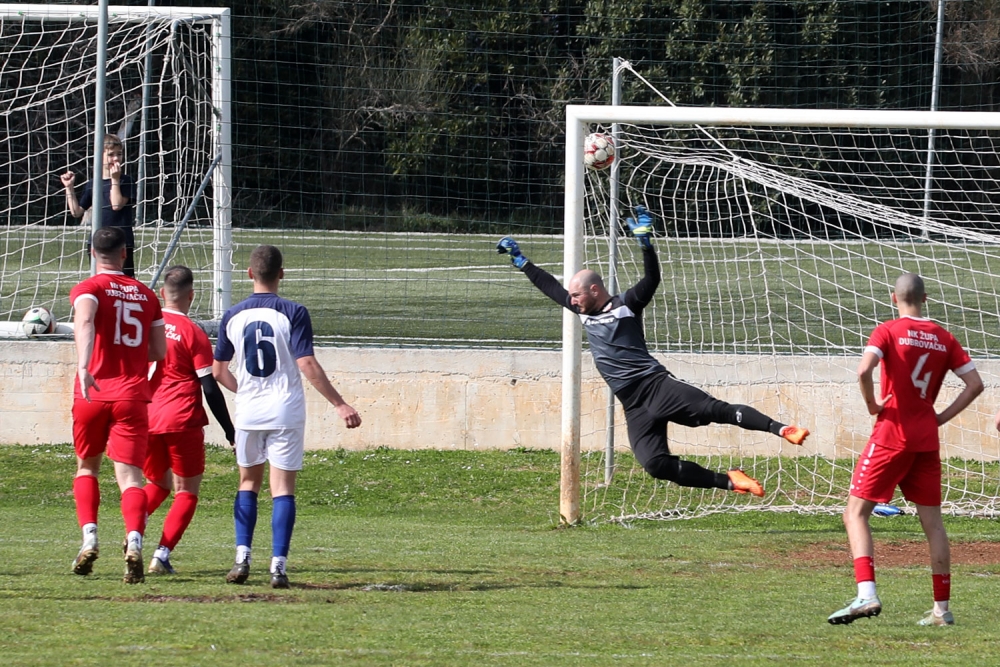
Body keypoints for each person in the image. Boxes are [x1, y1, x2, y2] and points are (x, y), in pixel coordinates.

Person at [496, 206, 809, 498]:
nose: (571, 300)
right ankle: (730, 480)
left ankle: (781, 429)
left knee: (718, 411)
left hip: (657, 387)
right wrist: (522, 262)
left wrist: (645, 244)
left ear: (594, 290)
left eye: (576, 294)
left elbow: (652, 279)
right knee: (655, 465)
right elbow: (549, 286)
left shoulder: (625, 306)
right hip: (633, 405)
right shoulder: (583, 311)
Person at [827, 273, 982, 627]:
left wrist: (871, 404)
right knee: (934, 526)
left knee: (855, 513)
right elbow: (975, 384)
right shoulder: (944, 338)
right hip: (926, 438)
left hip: (891, 434)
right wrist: (939, 417)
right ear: (925, 299)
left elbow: (863, 369)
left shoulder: (888, 330)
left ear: (893, 299)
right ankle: (942, 610)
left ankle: (867, 594)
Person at [212, 244, 362, 589]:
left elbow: (218, 371)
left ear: (249, 274)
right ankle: (278, 566)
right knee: (282, 490)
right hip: (285, 411)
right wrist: (339, 404)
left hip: (248, 413)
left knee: (247, 483)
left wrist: (247, 391)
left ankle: (242, 558)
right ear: (281, 274)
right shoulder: (293, 312)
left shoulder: (232, 315)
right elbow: (306, 363)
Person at [69, 226, 166, 584]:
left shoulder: (88, 289)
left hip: (92, 391)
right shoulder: (146, 294)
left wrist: (84, 365)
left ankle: (90, 537)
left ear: (93, 253)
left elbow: (86, 318)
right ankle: (135, 542)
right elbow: (159, 351)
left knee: (87, 468)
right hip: (131, 395)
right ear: (125, 253)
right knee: (131, 478)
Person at [144, 265, 237, 575]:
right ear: (192, 296)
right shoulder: (192, 332)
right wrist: (229, 431)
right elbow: (208, 386)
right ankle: (161, 555)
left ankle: (134, 533)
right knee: (186, 490)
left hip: (146, 417)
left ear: (161, 294)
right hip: (181, 419)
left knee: (157, 483)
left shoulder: (148, 326)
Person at [61, 134, 137, 278]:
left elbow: (116, 205)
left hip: (122, 242)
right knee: (101, 282)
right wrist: (69, 188)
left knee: (124, 282)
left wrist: (115, 179)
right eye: (111, 155)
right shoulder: (93, 184)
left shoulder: (126, 181)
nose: (116, 158)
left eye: (119, 154)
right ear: (99, 156)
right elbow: (76, 212)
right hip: (98, 243)